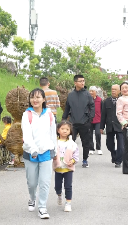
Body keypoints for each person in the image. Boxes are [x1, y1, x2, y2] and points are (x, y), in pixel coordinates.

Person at [22, 88, 57, 219]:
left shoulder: (49, 114)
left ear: (43, 99)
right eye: (32, 97)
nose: (35, 100)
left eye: (38, 97)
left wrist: (56, 153)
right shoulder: (27, 115)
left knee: (45, 182)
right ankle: (32, 198)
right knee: (32, 182)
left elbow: (53, 135)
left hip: (46, 152)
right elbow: (26, 135)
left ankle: (42, 207)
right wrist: (33, 149)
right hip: (30, 153)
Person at [62, 75, 95, 168]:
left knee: (85, 142)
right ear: (75, 82)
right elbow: (67, 108)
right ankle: (69, 159)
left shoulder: (87, 94)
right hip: (72, 123)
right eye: (80, 81)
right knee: (70, 142)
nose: (82, 83)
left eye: (83, 81)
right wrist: (64, 121)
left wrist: (90, 119)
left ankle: (85, 160)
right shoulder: (71, 95)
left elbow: (92, 107)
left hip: (85, 123)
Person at [53, 120, 79, 212]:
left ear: (70, 131)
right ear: (58, 130)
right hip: (58, 169)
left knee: (68, 186)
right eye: (62, 129)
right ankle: (59, 195)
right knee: (57, 186)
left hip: (68, 169)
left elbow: (76, 155)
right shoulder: (54, 142)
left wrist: (73, 161)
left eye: (67, 129)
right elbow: (51, 153)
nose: (65, 131)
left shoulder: (72, 144)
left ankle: (68, 203)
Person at [100, 84, 123, 168]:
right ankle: (114, 154)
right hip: (110, 125)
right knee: (109, 144)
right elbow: (103, 115)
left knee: (121, 145)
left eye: (115, 89)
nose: (113, 91)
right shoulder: (106, 101)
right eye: (112, 89)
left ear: (119, 91)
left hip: (120, 126)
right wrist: (101, 127)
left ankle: (118, 161)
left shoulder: (122, 101)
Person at [89, 86, 103, 155]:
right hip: (89, 120)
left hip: (98, 120)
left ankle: (99, 148)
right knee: (90, 134)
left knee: (98, 134)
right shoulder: (87, 100)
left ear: (96, 92)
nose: (91, 92)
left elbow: (102, 110)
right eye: (90, 91)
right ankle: (91, 148)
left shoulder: (100, 100)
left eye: (92, 91)